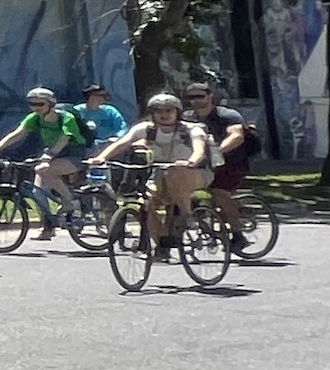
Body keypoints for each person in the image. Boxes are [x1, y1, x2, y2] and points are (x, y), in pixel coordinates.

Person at [91, 92, 213, 251]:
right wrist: (101, 158)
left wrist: (190, 162)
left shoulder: (192, 130)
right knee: (150, 203)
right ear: (152, 114)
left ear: (177, 112)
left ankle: (188, 216)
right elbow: (122, 143)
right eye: (159, 111)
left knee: (175, 173)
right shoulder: (145, 129)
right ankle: (161, 243)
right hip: (161, 173)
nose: (164, 115)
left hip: (195, 172)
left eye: (169, 111)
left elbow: (199, 150)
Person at [0, 87, 86, 238]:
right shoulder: (35, 118)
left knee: (45, 170)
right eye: (32, 104)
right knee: (37, 192)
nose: (35, 107)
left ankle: (70, 202)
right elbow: (17, 134)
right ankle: (48, 226)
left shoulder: (66, 118)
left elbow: (64, 140)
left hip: (74, 154)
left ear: (51, 104)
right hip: (51, 156)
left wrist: (48, 156)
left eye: (40, 104)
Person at [186, 85, 259, 250]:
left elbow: (236, 135)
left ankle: (238, 234)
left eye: (199, 96)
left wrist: (218, 151)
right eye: (191, 97)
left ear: (210, 96)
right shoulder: (187, 118)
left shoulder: (227, 115)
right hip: (202, 164)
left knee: (218, 193)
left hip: (233, 162)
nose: (195, 100)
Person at [77, 84, 128, 153]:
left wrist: (118, 138)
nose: (104, 98)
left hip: (109, 145)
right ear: (90, 97)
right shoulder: (77, 111)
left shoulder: (110, 111)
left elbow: (122, 128)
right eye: (100, 96)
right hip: (84, 146)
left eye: (105, 96)